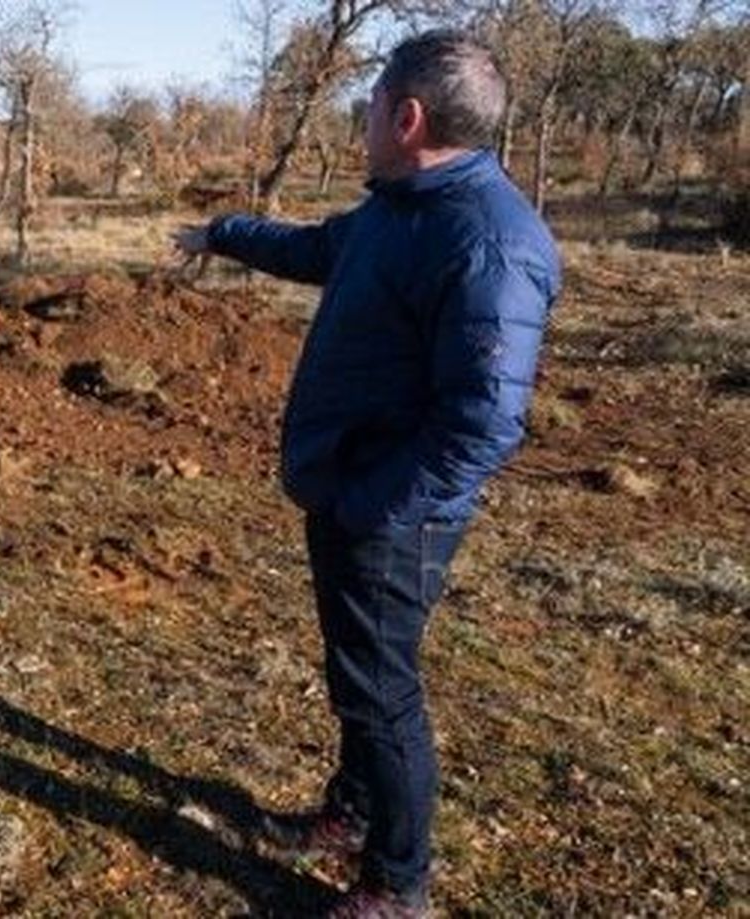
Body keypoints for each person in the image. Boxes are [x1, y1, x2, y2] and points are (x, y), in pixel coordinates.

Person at [174, 31, 560, 918]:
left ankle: (398, 881)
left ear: (408, 115)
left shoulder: (489, 243)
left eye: (373, 103)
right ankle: (351, 813)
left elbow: (484, 421)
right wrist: (223, 234)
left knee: (384, 694)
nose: (365, 120)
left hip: (394, 512)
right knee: (359, 673)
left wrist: (373, 504)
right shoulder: (401, 207)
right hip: (355, 489)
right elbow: (318, 250)